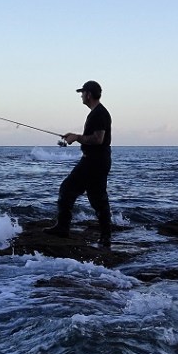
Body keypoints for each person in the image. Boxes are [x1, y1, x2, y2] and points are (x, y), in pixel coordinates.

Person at [45, 80, 112, 245]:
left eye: (82, 93)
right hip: (95, 161)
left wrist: (77, 137)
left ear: (88, 94)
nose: (81, 96)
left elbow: (98, 139)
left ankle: (65, 229)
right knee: (91, 196)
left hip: (95, 162)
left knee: (75, 191)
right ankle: (103, 236)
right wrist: (75, 137)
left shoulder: (99, 114)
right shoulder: (97, 112)